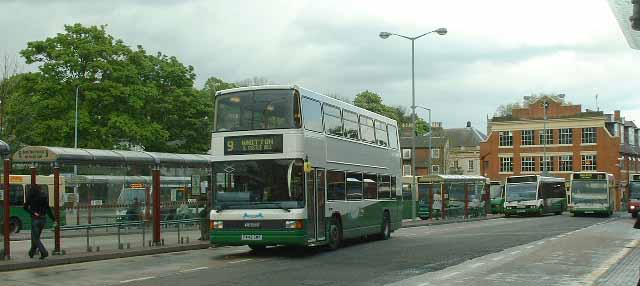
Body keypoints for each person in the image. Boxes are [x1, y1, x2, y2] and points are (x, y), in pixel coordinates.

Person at [23, 185, 55, 259]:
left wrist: (33, 212)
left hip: (35, 219)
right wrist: (54, 219)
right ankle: (31, 253)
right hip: (43, 219)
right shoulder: (44, 197)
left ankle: (44, 252)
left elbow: (25, 207)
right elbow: (48, 210)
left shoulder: (30, 197)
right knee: (36, 237)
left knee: (35, 238)